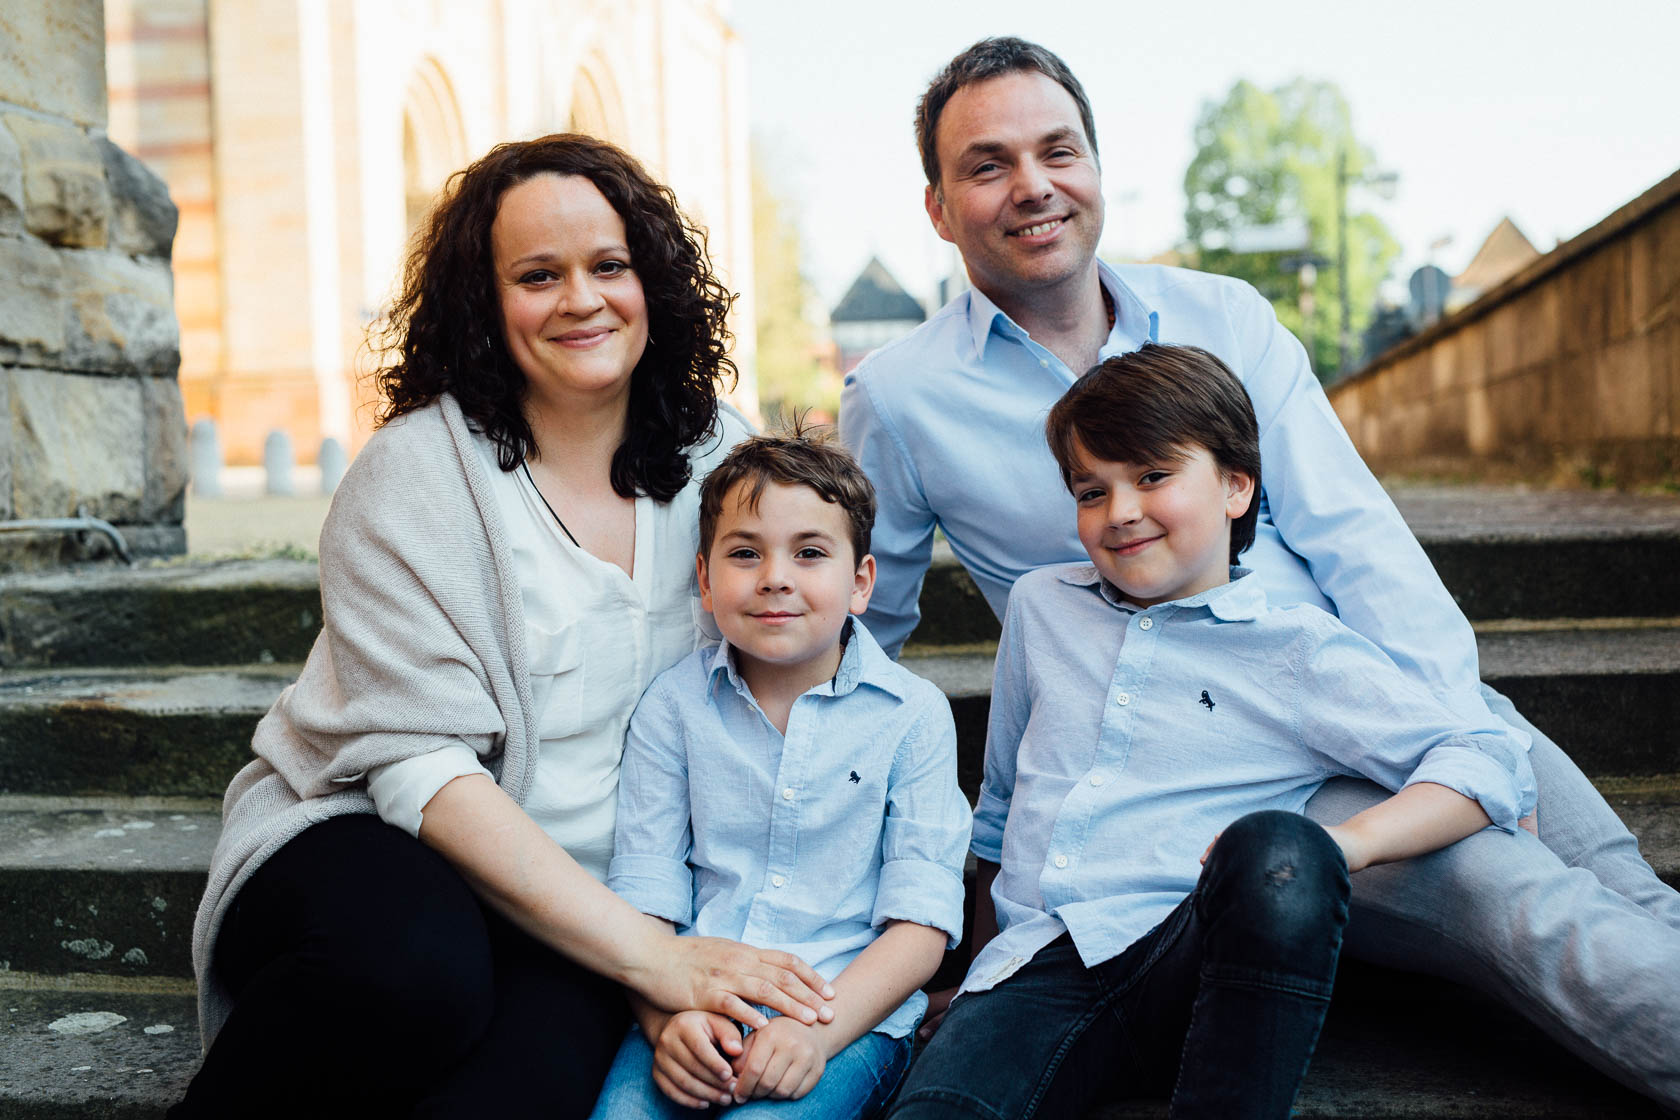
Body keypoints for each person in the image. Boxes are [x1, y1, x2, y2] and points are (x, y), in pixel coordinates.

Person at [841, 36, 1680, 1107]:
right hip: (1201, 765)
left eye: (1060, 150)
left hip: (1354, 685)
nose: (1033, 186)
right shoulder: (903, 395)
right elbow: (861, 638)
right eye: (988, 163)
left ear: (1097, 165)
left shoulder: (1225, 316)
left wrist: (1451, 730)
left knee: (1621, 886)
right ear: (938, 204)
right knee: (1523, 903)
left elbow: (1354, 534)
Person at [171, 135, 836, 1120]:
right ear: (487, 302)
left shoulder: (724, 458)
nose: (581, 299)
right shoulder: (415, 476)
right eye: (538, 275)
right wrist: (659, 959)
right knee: (416, 972)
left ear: (651, 280)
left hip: (591, 901)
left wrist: (665, 942)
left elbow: (782, 691)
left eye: (609, 265)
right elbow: (421, 773)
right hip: (372, 836)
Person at [895, 343, 1542, 1118]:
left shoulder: (1296, 648)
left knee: (1280, 846)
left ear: (1237, 487)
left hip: (1198, 967)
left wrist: (1351, 842)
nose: (1120, 511)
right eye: (1090, 490)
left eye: (1153, 477)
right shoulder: (1040, 608)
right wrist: (974, 969)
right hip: (1035, 973)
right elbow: (1001, 807)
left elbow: (1489, 755)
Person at [590, 430, 972, 1119]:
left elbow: (921, 926)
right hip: (691, 1003)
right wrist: (664, 1023)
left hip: (843, 1018)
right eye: (744, 553)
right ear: (706, 581)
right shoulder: (672, 709)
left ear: (860, 583)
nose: (775, 576)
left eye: (810, 553)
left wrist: (814, 1037)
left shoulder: (912, 717)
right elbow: (645, 900)